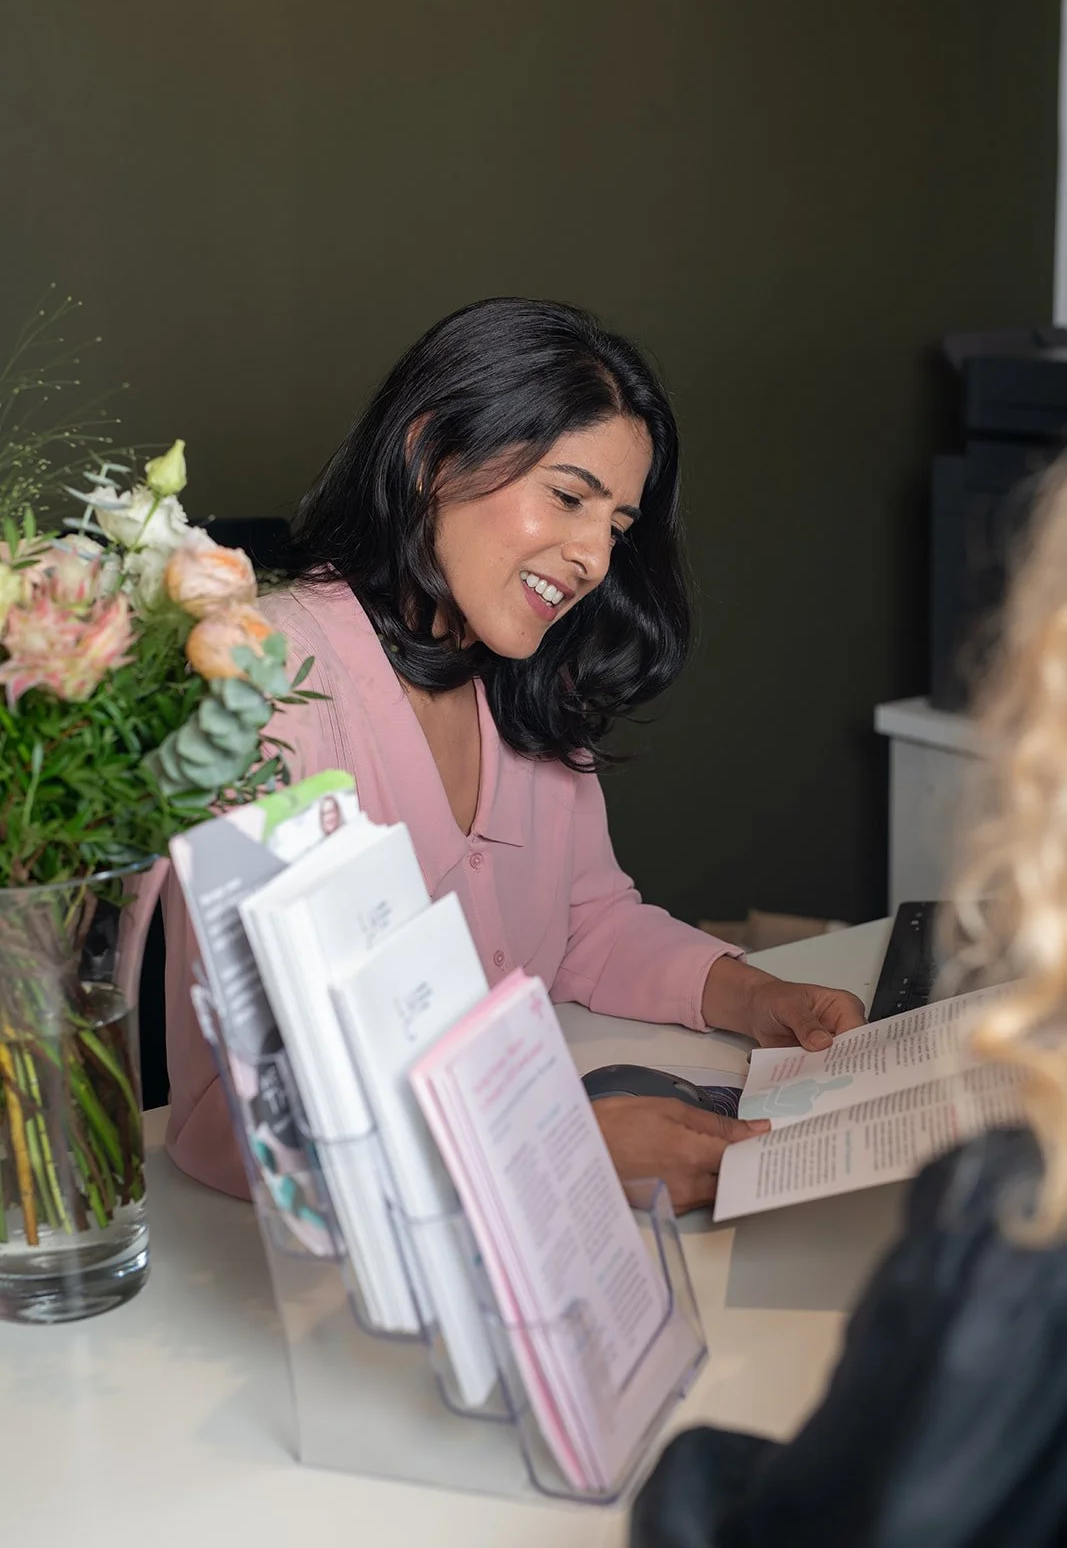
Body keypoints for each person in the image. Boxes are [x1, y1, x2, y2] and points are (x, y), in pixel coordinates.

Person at [161, 297, 864, 1206]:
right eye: (568, 498)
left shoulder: (525, 680)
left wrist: (752, 996)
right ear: (428, 458)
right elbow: (236, 1110)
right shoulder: (263, 686)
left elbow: (586, 923)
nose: (593, 559)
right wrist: (546, 1148)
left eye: (615, 526)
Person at [629, 459, 1067, 1547]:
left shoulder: (1014, 1228)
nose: (593, 551)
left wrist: (679, 1467)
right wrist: (747, 986)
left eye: (616, 514)